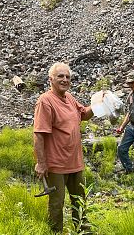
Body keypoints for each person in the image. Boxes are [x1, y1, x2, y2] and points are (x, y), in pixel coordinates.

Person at [33, 62, 94, 233]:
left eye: (67, 77)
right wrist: (41, 163)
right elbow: (39, 134)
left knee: (80, 201)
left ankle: (83, 231)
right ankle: (55, 232)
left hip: (75, 162)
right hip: (56, 165)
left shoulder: (70, 98)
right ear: (50, 79)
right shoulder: (45, 101)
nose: (65, 79)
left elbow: (84, 115)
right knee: (56, 205)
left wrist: (98, 103)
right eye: (60, 76)